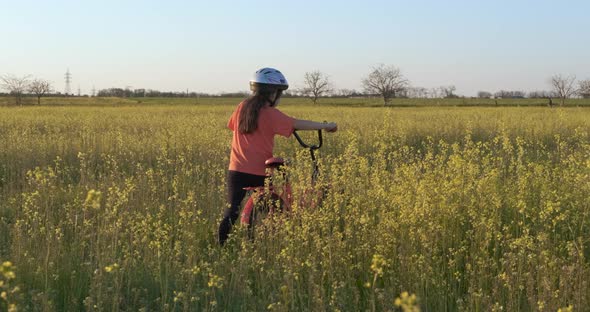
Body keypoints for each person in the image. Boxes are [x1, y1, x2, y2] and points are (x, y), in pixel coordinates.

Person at [218, 67, 337, 245]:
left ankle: (221, 245)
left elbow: (233, 127)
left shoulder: (241, 107)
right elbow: (295, 124)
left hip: (236, 170)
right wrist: (325, 125)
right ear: (271, 93)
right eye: (279, 93)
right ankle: (275, 237)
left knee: (232, 210)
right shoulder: (271, 114)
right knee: (273, 205)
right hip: (259, 172)